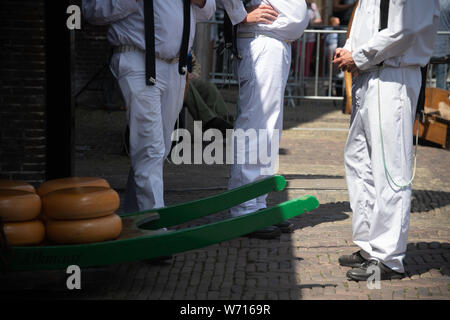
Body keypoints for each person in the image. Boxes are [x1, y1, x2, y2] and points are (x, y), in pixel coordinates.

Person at [333, 0, 440, 280]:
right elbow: (367, 17)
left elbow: (406, 29)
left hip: (393, 75)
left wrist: (360, 55)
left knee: (390, 168)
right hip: (369, 74)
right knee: (360, 162)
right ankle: (370, 245)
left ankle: (389, 256)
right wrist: (351, 49)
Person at [82, 0, 216, 213]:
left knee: (158, 149)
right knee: (150, 149)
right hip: (136, 59)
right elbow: (92, 10)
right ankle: (155, 225)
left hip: (175, 67)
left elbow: (208, 12)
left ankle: (134, 219)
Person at [221, 0, 309, 239]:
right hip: (261, 39)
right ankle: (244, 209)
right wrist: (239, 15)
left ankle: (257, 204)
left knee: (268, 129)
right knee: (256, 126)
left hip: (273, 41)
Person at [433, 0, 450, 90]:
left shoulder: (430, 3)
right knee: (442, 82)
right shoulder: (447, 3)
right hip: (445, 49)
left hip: (429, 48)